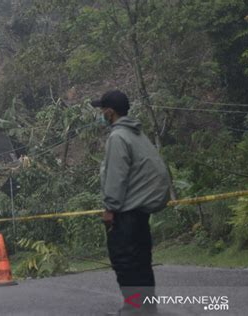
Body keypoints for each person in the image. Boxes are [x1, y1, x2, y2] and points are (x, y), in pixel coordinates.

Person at [91, 90, 171, 315]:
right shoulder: (136, 134)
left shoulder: (118, 137)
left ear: (110, 112)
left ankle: (134, 308)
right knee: (142, 261)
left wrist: (110, 208)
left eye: (102, 110)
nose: (101, 115)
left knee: (125, 260)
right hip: (140, 211)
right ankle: (147, 307)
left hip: (125, 212)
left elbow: (117, 176)